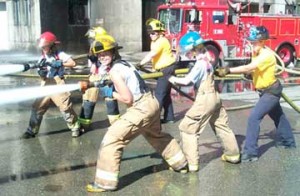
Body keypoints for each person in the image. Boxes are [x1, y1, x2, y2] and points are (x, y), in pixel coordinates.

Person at [83, 34, 187, 192]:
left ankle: (105, 183)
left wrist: (108, 92)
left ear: (113, 52)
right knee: (155, 135)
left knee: (112, 139)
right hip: (152, 103)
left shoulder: (115, 72)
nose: (102, 57)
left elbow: (127, 98)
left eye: (105, 53)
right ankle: (180, 163)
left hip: (140, 108)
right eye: (99, 54)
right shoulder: (124, 64)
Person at [214, 25, 296, 162]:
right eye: (251, 42)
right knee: (279, 117)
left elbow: (249, 67)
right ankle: (289, 142)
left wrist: (228, 70)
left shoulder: (267, 55)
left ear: (263, 41)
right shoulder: (257, 53)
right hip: (265, 91)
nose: (251, 45)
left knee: (254, 118)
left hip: (271, 92)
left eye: (254, 42)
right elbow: (254, 70)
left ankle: (250, 152)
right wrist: (250, 76)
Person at [168, 31, 240, 171]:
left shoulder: (200, 64)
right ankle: (233, 155)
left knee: (187, 128)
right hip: (215, 97)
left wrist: (171, 79)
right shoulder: (207, 59)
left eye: (189, 51)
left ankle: (191, 163)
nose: (187, 54)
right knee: (221, 125)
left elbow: (187, 81)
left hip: (205, 98)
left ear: (194, 50)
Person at [21, 31, 81, 138]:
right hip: (46, 82)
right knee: (37, 107)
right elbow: (41, 71)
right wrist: (41, 72)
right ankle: (31, 130)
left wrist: (60, 63)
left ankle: (75, 126)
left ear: (52, 45)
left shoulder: (60, 54)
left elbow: (73, 63)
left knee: (65, 106)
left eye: (46, 47)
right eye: (43, 47)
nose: (44, 49)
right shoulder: (42, 58)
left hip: (57, 82)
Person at [78, 27, 120, 132]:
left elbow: (92, 59)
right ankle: (116, 126)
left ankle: (83, 125)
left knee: (89, 100)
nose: (91, 42)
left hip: (103, 75)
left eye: (92, 39)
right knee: (110, 99)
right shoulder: (110, 41)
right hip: (105, 74)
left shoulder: (97, 43)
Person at [139, 18, 177, 124]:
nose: (151, 35)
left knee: (159, 94)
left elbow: (153, 53)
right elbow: (155, 57)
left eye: (153, 33)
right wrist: (153, 68)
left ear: (160, 32)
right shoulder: (155, 41)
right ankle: (169, 118)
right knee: (166, 94)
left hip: (167, 69)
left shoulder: (162, 41)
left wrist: (141, 63)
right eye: (149, 33)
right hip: (163, 69)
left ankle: (154, 121)